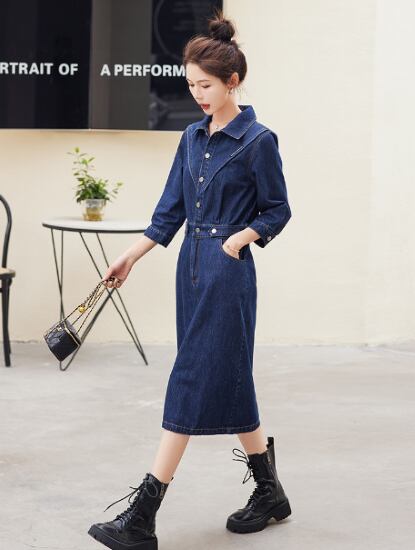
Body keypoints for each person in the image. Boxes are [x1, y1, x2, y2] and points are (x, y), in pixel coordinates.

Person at [88, 8, 292, 550]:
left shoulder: (257, 141)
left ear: (232, 81)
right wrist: (130, 257)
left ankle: (142, 516)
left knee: (189, 379)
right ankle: (270, 492)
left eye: (206, 85)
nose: (198, 94)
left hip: (227, 274)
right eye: (191, 86)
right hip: (191, 271)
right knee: (229, 377)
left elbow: (277, 210)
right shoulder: (190, 137)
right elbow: (168, 213)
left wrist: (241, 238)